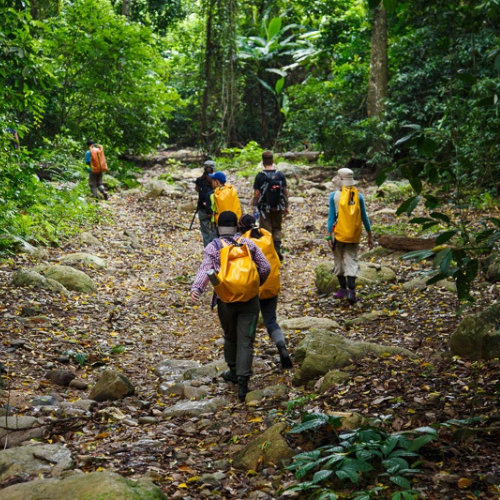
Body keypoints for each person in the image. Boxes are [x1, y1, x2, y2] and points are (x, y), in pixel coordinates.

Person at [190, 211, 270, 401]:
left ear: (218, 227)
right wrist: (255, 285)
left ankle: (233, 371)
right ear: (236, 226)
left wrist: (197, 289)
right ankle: (243, 384)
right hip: (250, 301)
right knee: (246, 340)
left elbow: (205, 269)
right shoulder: (248, 244)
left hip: (225, 301)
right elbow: (265, 267)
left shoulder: (213, 247)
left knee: (230, 336)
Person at [239, 214, 292, 369]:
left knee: (249, 323)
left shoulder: (244, 242)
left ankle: (244, 362)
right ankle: (282, 347)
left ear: (241, 227)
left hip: (253, 289)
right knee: (271, 321)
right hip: (271, 286)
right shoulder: (266, 237)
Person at [326, 168, 373, 305]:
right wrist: (370, 235)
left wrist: (329, 236)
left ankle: (342, 290)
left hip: (338, 234)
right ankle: (352, 293)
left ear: (340, 180)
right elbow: (364, 217)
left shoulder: (333, 196)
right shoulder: (358, 196)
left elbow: (331, 218)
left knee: (339, 261)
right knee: (352, 260)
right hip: (354, 234)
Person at [252, 150, 289, 261]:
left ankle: (269, 254)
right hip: (278, 207)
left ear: (263, 161)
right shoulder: (280, 175)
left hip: (264, 209)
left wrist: (255, 207)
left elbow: (257, 194)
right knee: (277, 228)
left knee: (266, 230)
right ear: (273, 160)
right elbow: (285, 192)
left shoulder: (260, 176)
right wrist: (286, 206)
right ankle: (277, 248)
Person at [195, 160, 217, 247]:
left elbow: (197, 189)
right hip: (214, 209)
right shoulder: (215, 180)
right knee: (215, 230)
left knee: (205, 231)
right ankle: (215, 248)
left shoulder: (199, 180)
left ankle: (207, 249)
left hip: (202, 209)